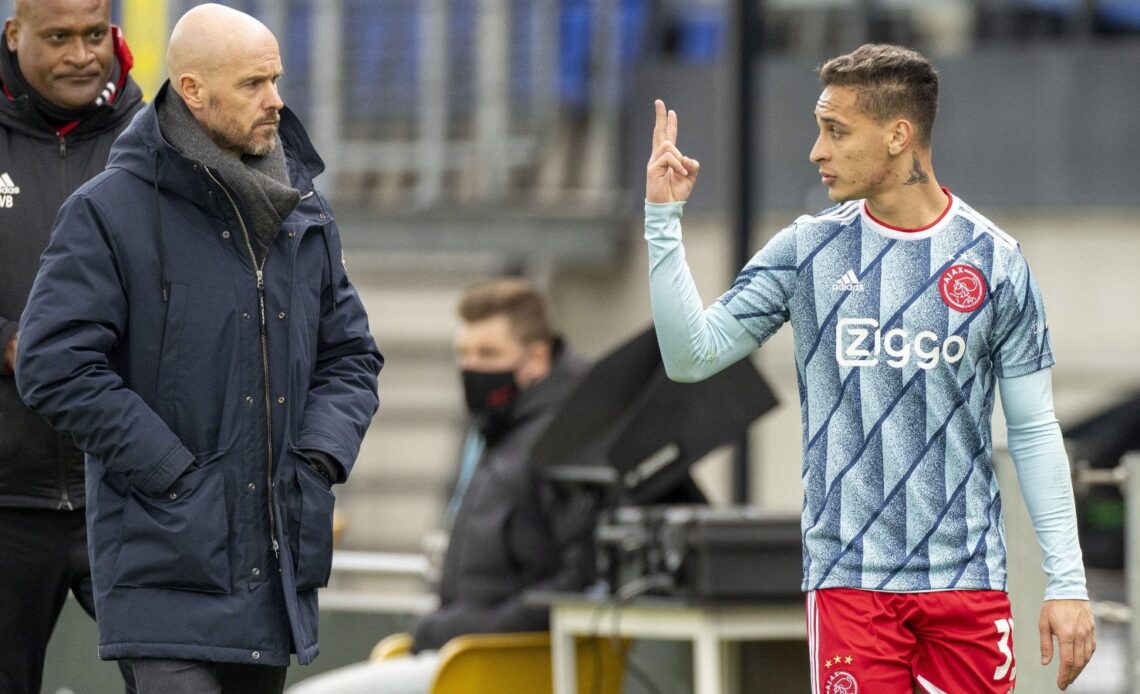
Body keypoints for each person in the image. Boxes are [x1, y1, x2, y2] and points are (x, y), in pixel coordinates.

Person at [644, 43, 1094, 692]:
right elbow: (692, 356)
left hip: (967, 583)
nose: (816, 152)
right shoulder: (808, 251)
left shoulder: (995, 262)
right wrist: (664, 219)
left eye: (835, 130)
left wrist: (1068, 582)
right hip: (850, 582)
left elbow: (1031, 429)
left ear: (898, 135)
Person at [15, 3, 382, 692]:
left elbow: (352, 356)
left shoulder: (302, 209)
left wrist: (318, 456)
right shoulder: (108, 211)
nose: (276, 101)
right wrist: (173, 472)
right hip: (164, 563)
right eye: (252, 84)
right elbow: (53, 363)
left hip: (273, 571)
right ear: (192, 92)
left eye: (275, 80)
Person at [287, 278, 591, 694]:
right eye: (463, 353)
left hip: (501, 664)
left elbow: (582, 579)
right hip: (456, 655)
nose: (471, 368)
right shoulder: (502, 432)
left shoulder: (564, 440)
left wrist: (459, 630)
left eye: (488, 354)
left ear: (536, 358)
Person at [0, 0, 143, 691]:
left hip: (127, 488)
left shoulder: (155, 141)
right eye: (58, 38)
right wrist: (11, 345)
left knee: (180, 677)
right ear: (14, 34)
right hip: (6, 498)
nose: (82, 56)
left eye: (95, 34)